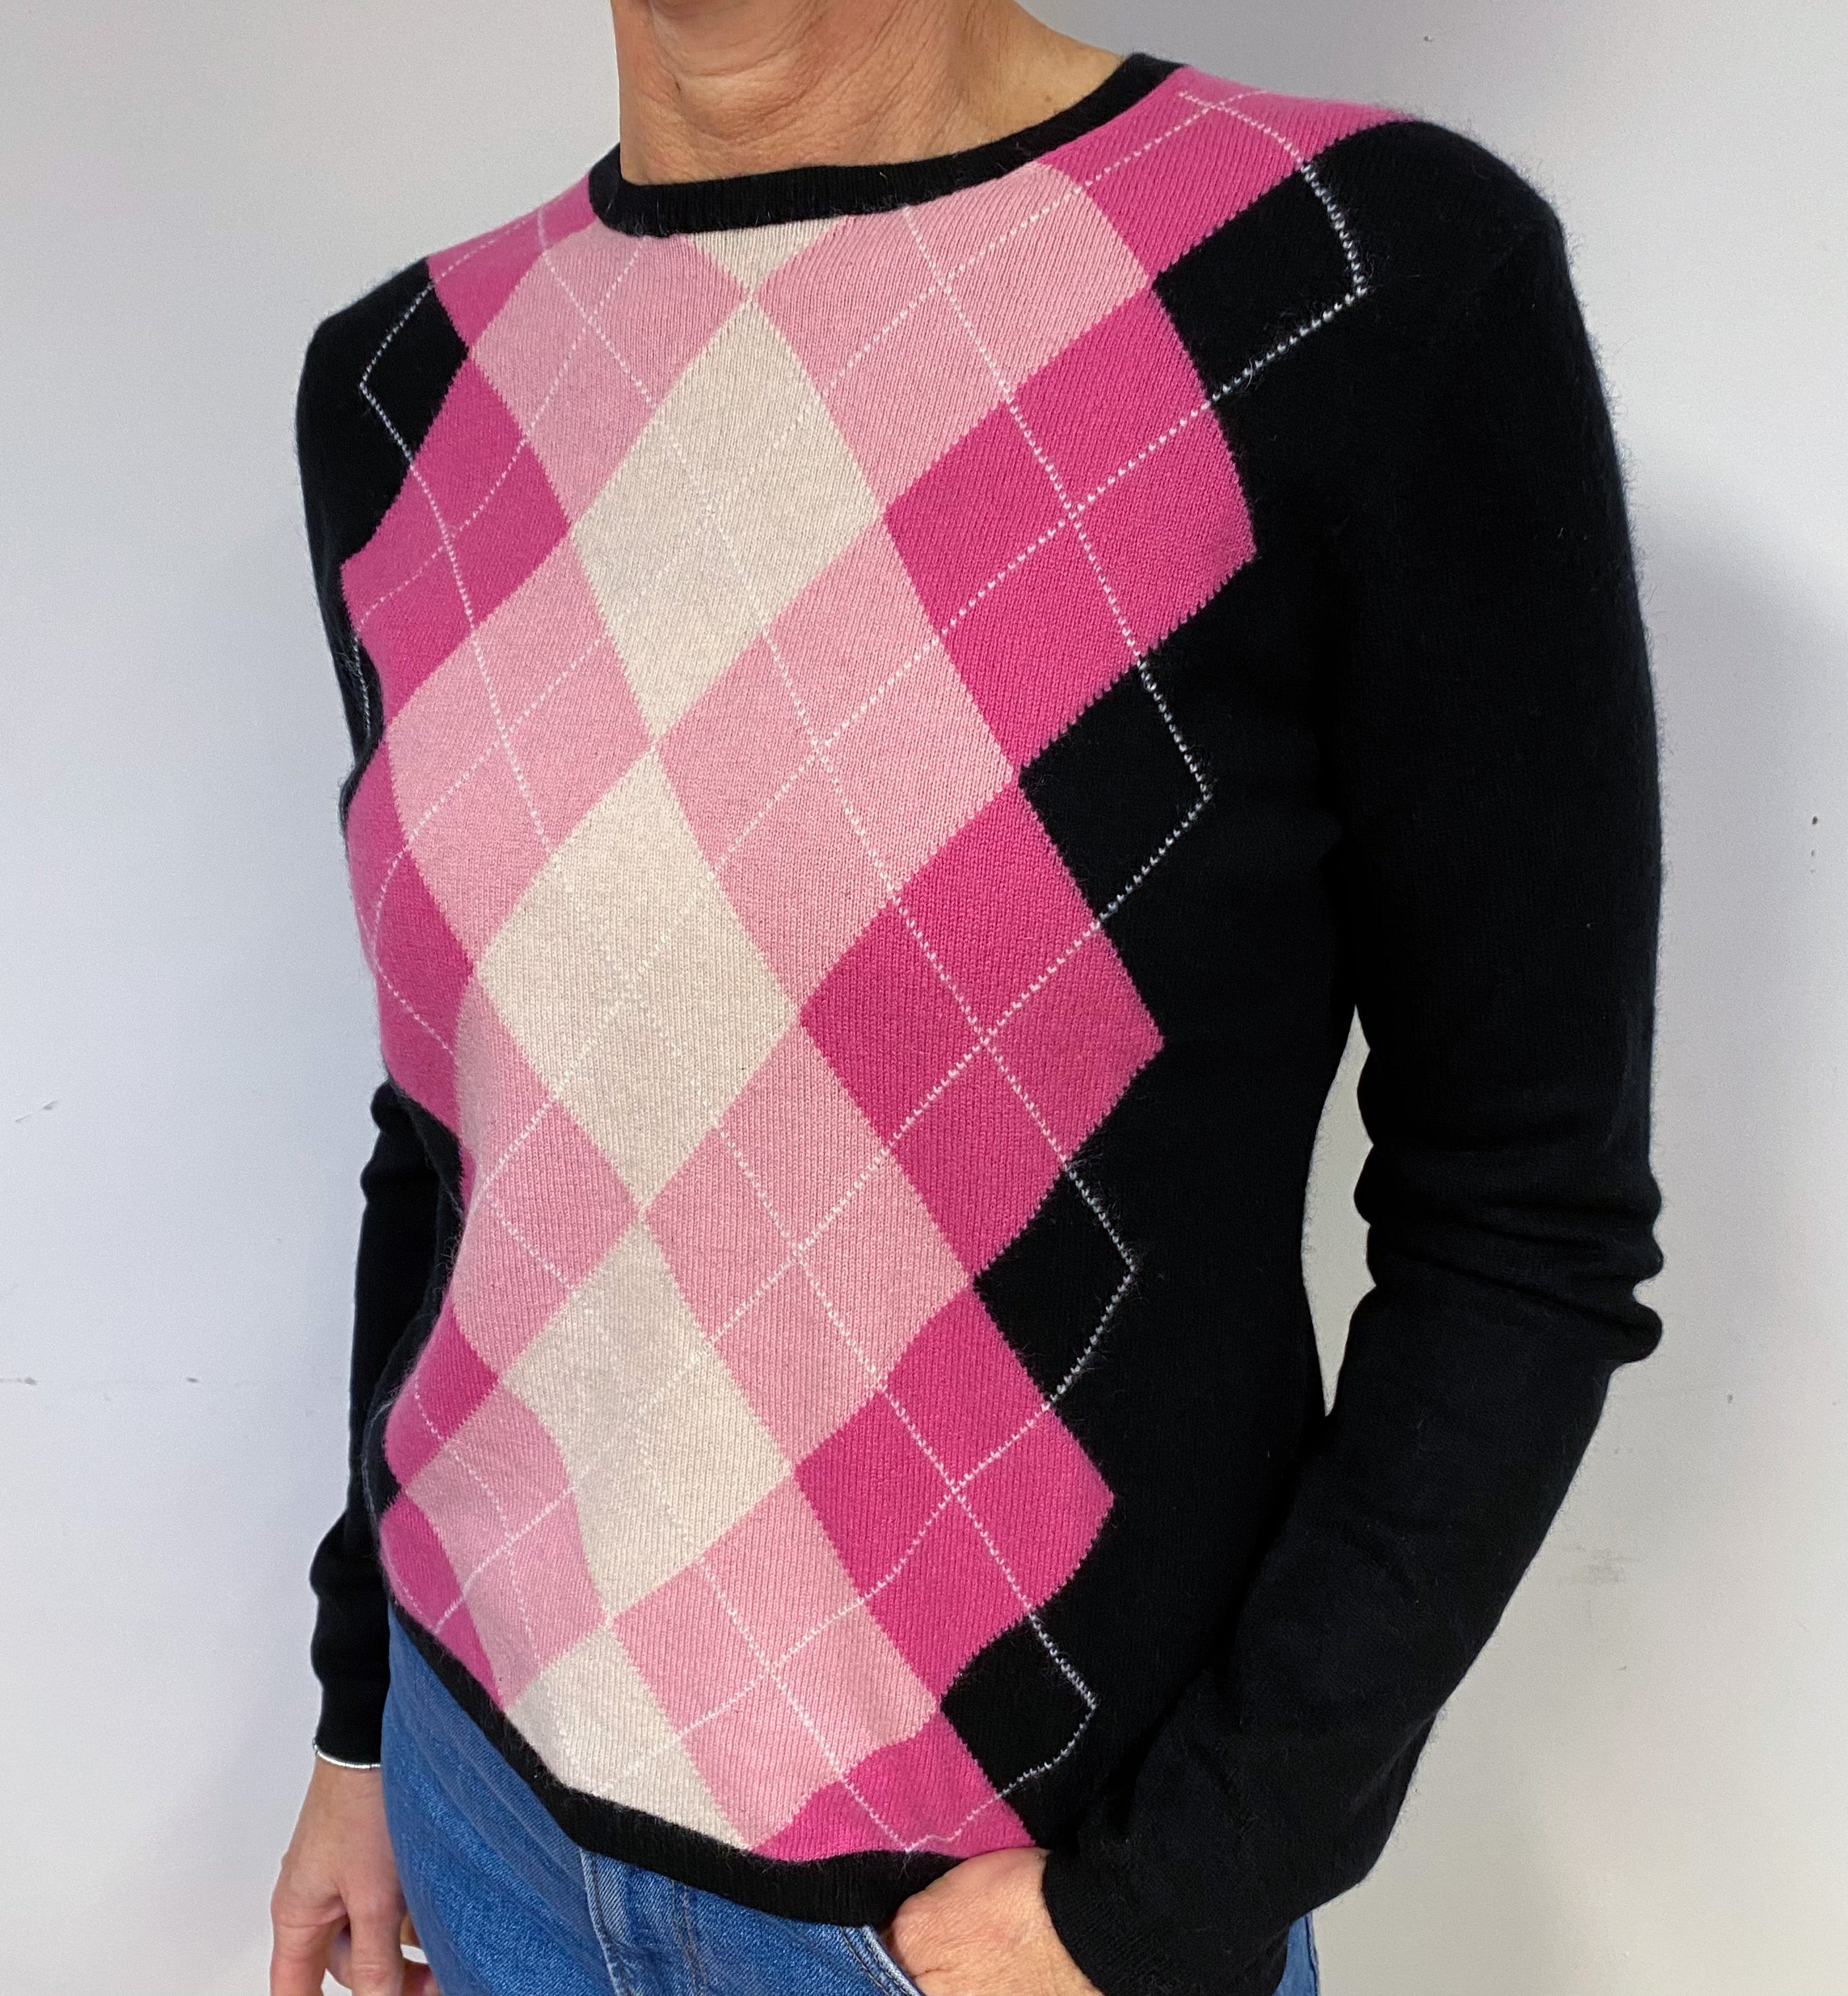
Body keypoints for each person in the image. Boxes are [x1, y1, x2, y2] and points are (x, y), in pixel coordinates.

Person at [269, 0, 1666, 1991]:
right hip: (477, 1800)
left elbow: (1522, 1212)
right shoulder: (404, 384)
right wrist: (358, 1723)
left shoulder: (1342, 277)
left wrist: (1179, 1893)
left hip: (980, 1919)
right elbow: (451, 1142)